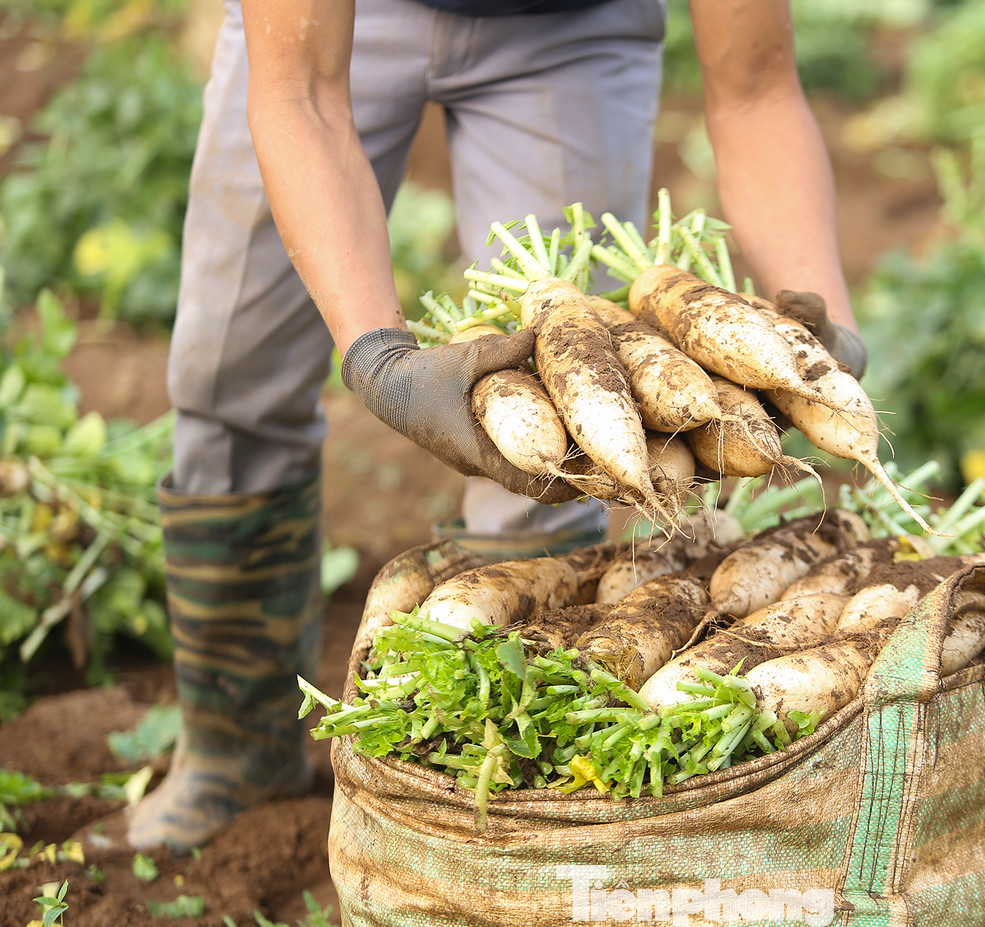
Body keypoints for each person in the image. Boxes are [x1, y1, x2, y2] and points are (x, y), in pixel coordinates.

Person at [122, 0, 867, 852]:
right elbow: (299, 96)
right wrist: (374, 352)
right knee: (231, 373)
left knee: (555, 447)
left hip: (571, 29)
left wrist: (816, 345)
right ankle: (234, 752)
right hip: (334, 32)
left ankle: (486, 801)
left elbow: (756, 89)